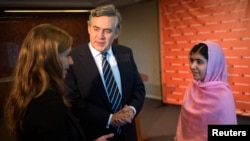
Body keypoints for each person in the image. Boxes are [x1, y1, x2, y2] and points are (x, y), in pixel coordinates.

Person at [4, 23, 114, 141]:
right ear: (50, 59)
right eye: (67, 55)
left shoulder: (30, 93)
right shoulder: (48, 104)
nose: (71, 62)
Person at [64, 4, 146, 141]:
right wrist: (110, 119)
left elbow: (138, 89)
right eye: (96, 29)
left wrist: (132, 109)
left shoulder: (125, 52)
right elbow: (73, 101)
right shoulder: (72, 58)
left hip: (127, 132)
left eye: (107, 31)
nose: (100, 36)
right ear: (89, 28)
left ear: (117, 32)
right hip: (96, 134)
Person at [174, 41, 237, 141]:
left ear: (213, 65)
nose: (192, 66)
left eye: (199, 62)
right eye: (191, 60)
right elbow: (186, 122)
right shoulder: (193, 86)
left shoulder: (223, 95)